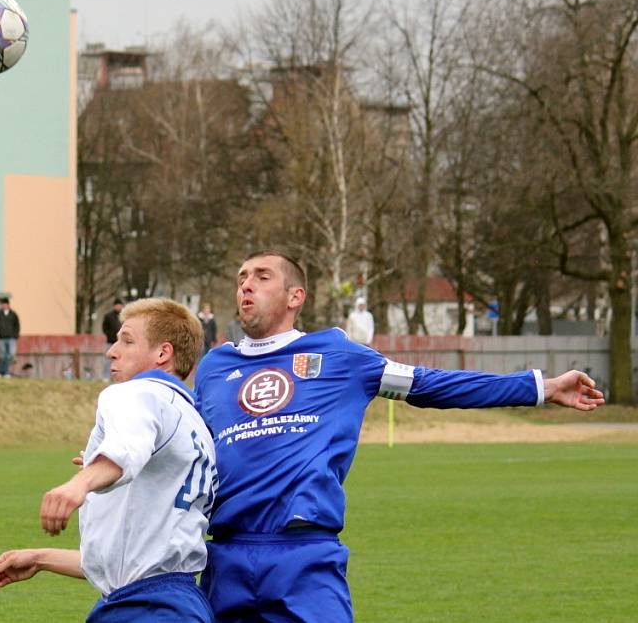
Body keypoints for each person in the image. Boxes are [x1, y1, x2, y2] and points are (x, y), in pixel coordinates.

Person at [193, 249, 605, 623]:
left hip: (303, 556)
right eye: (242, 277)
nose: (246, 284)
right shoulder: (214, 367)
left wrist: (540, 388)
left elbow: (433, 385)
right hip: (224, 556)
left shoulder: (342, 357)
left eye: (262, 276)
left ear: (294, 296)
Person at [0, 298, 217, 622]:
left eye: (126, 341)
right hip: (179, 604)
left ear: (163, 354)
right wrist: (40, 559)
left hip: (144, 609)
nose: (112, 351)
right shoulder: (194, 423)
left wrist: (79, 484)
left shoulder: (136, 393)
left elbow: (125, 449)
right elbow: (130, 558)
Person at [0, 297, 20, 378]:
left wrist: (15, 335)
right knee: (2, 356)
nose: (3, 306)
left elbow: (17, 325)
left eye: (4, 304)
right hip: (1, 338)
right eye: (2, 304)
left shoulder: (13, 315)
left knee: (11, 354)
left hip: (11, 338)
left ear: (8, 305)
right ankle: (5, 372)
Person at [101, 298, 123, 380]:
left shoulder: (123, 316)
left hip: (120, 342)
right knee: (107, 361)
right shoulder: (108, 316)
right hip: (110, 342)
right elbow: (104, 328)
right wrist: (109, 335)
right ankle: (106, 377)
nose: (118, 307)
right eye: (117, 305)